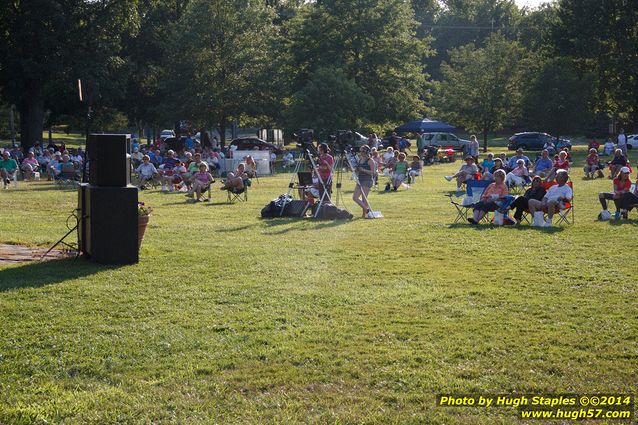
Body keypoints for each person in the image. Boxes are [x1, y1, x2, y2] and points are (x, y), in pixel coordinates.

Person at [352, 145, 375, 218]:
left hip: (367, 181)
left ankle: (364, 215)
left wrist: (363, 170)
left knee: (364, 199)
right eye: (360, 151)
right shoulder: (360, 159)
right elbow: (358, 170)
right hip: (360, 180)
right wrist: (355, 170)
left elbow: (373, 172)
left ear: (366, 151)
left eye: (362, 151)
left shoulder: (370, 160)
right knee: (355, 197)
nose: (360, 152)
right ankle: (367, 209)